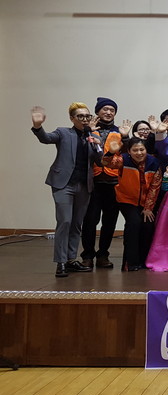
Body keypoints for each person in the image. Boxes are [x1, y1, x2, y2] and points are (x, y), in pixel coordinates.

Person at [30, 104, 100, 277]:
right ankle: (60, 262)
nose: (85, 120)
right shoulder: (63, 132)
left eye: (87, 116)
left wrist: (98, 145)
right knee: (65, 221)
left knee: (76, 224)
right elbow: (46, 138)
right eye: (80, 116)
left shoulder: (92, 136)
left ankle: (70, 260)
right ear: (72, 118)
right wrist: (38, 126)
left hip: (84, 185)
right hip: (63, 184)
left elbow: (99, 159)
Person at [102, 136, 162, 271]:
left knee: (148, 225)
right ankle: (130, 263)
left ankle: (145, 261)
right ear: (129, 151)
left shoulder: (154, 163)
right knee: (134, 223)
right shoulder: (123, 160)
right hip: (126, 200)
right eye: (135, 150)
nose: (139, 153)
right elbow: (106, 163)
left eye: (142, 149)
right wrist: (111, 152)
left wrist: (148, 208)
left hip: (146, 202)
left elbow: (155, 187)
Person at [80, 96, 121, 269]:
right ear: (97, 111)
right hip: (93, 183)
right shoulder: (87, 130)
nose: (109, 112)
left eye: (112, 110)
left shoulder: (120, 132)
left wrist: (126, 138)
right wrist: (86, 131)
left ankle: (103, 254)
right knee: (90, 220)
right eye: (105, 109)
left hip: (113, 183)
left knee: (109, 222)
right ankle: (87, 255)